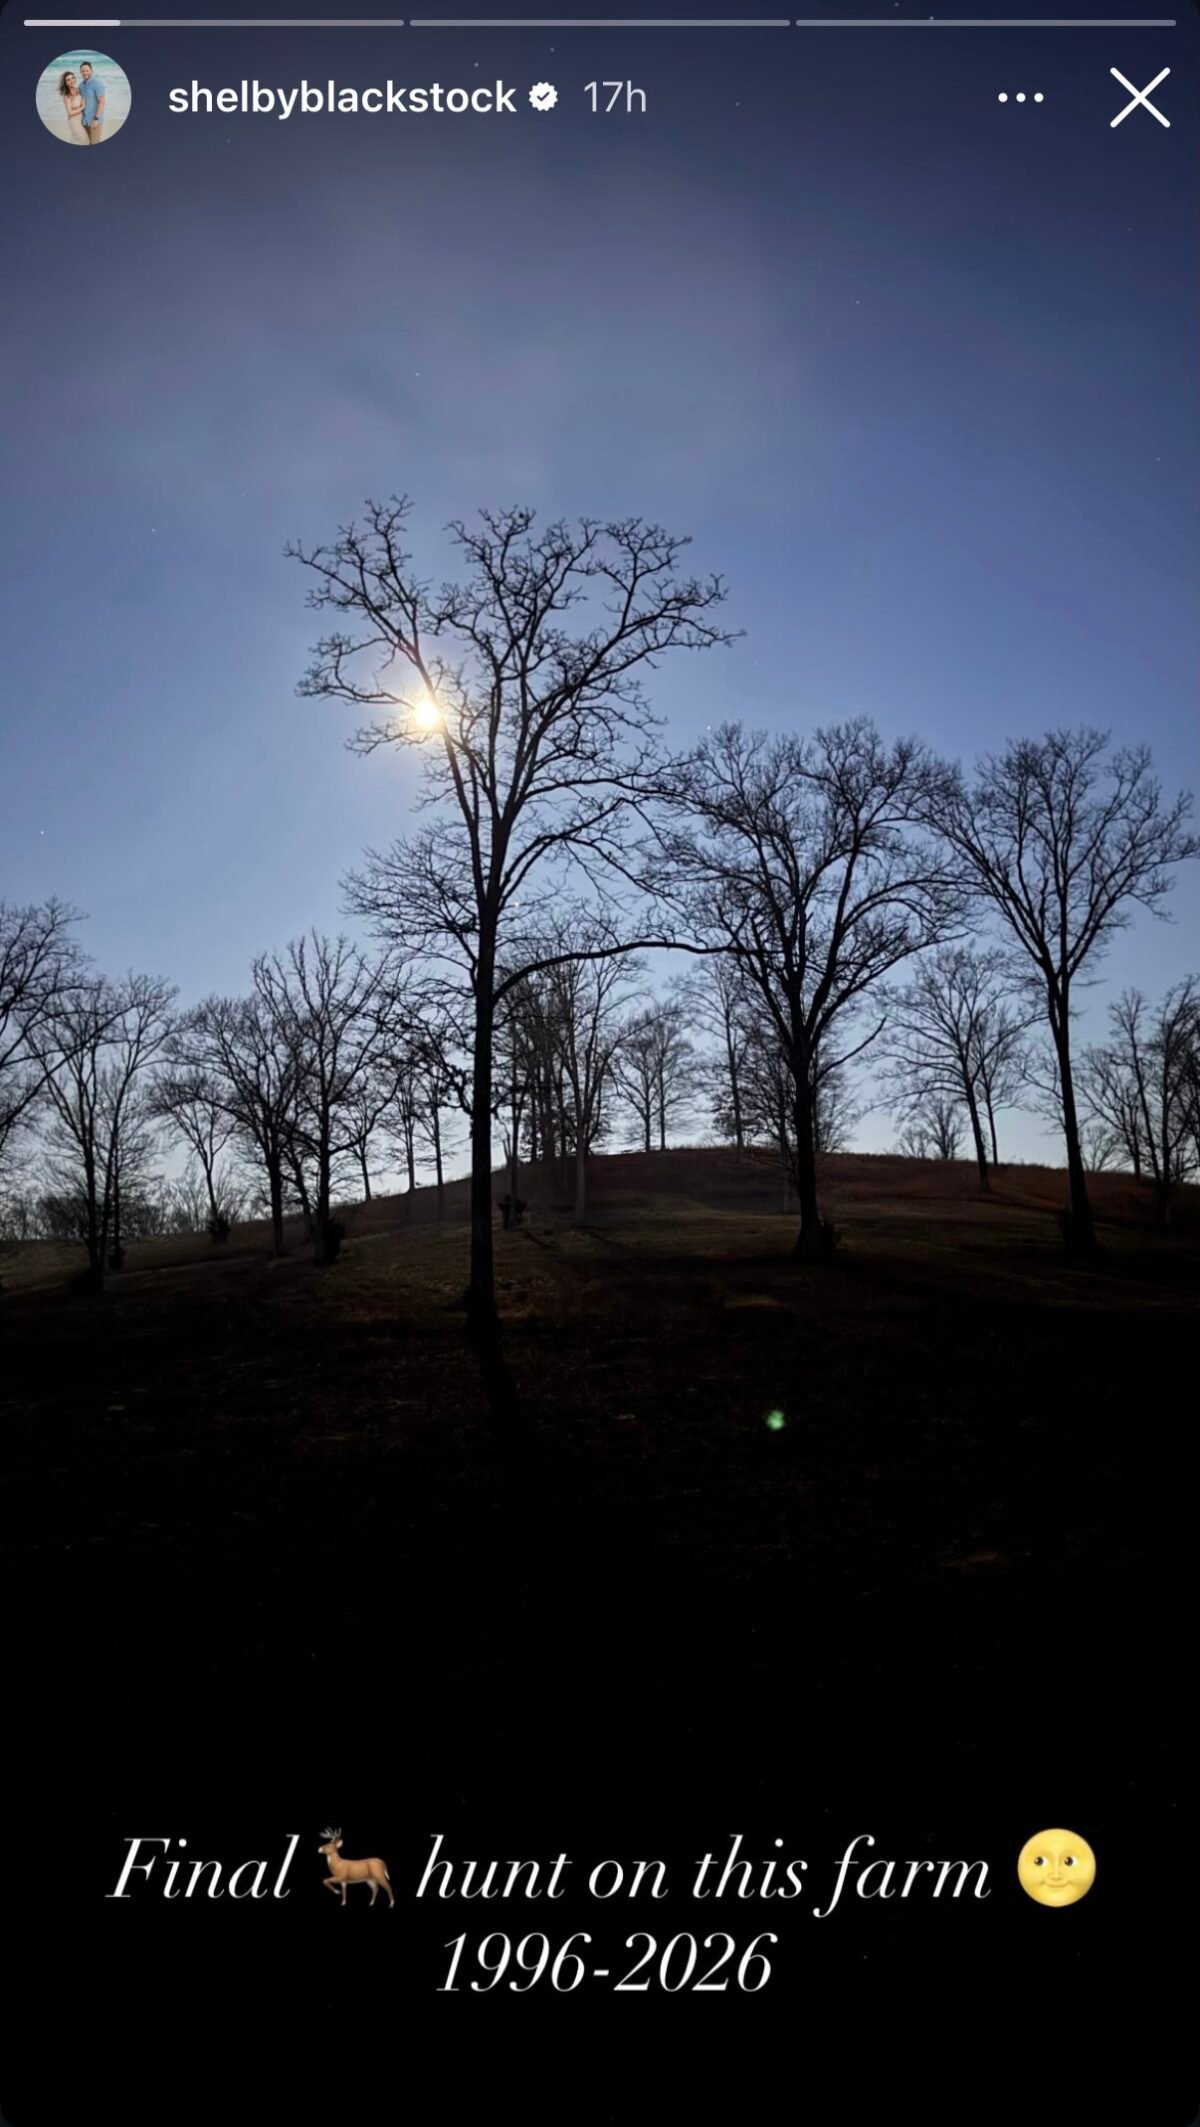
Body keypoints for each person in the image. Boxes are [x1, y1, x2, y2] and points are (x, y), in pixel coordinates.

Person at [58, 68, 89, 145]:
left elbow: (84, 98)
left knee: (78, 141)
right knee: (84, 141)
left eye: (73, 78)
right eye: (68, 80)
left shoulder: (78, 89)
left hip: (81, 120)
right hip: (74, 122)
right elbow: (70, 113)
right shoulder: (67, 96)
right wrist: (82, 107)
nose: (72, 81)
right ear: (65, 83)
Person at [79, 59, 105, 143]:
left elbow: (102, 102)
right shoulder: (81, 85)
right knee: (87, 143)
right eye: (83, 71)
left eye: (87, 70)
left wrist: (96, 119)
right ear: (80, 72)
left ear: (91, 71)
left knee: (95, 142)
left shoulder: (97, 83)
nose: (85, 73)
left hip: (95, 121)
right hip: (85, 121)